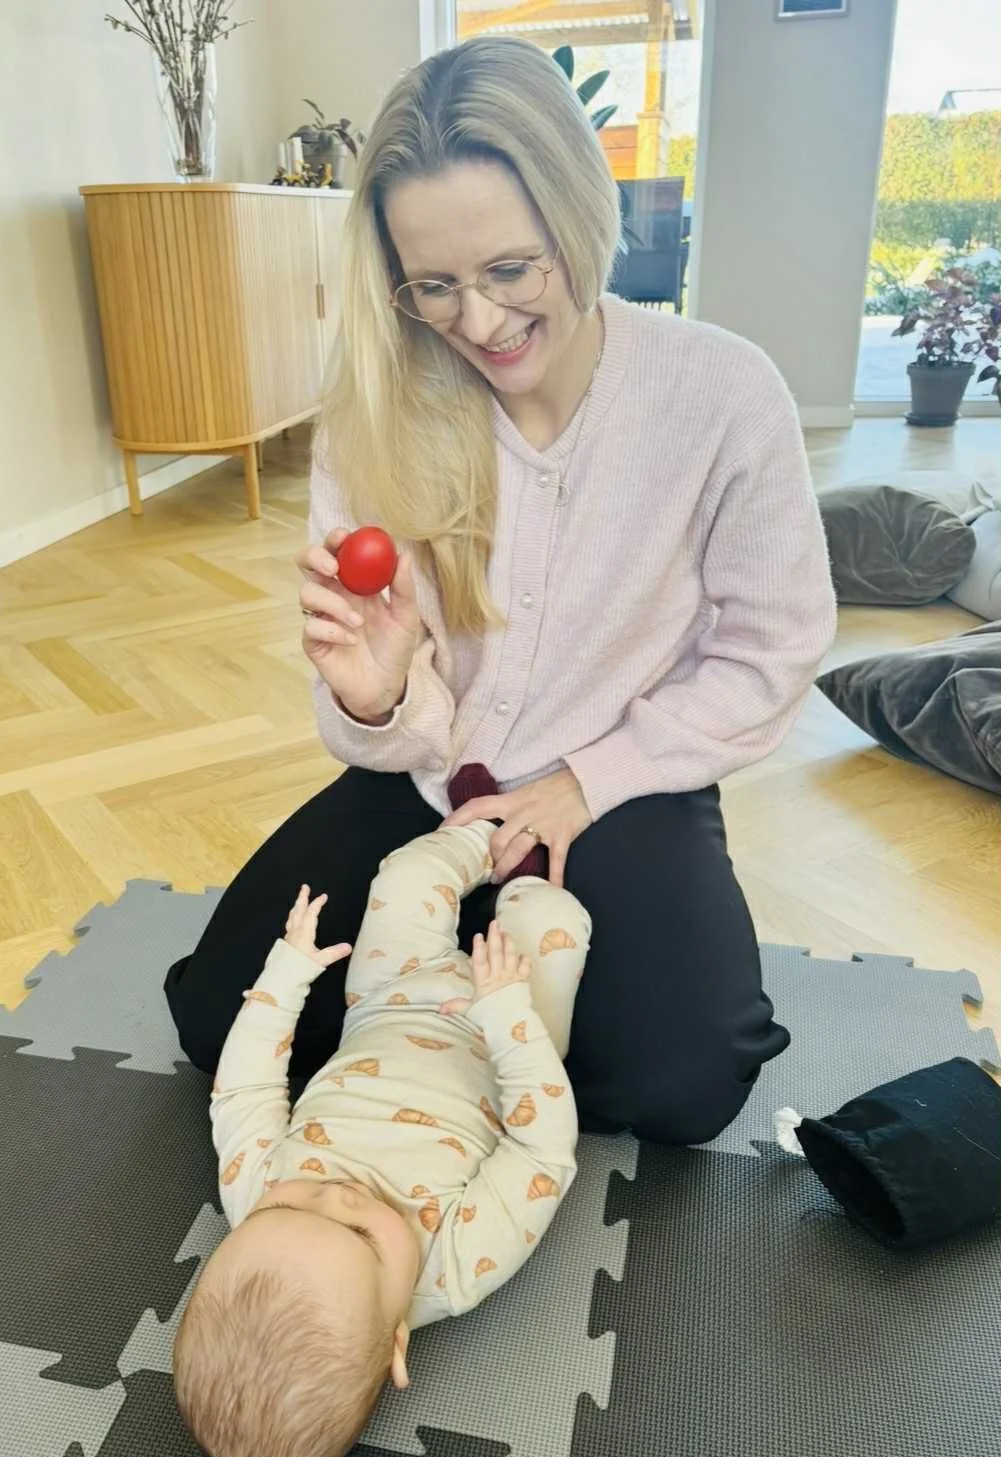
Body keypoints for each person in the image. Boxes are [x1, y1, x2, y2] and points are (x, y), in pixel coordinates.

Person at [164, 35, 837, 1145]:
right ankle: (483, 1013)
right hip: (429, 768)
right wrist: (381, 699)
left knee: (686, 1088)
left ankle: (459, 1008)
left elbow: (772, 646)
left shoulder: (722, 391)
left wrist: (587, 781)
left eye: (512, 270)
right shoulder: (376, 410)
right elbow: (385, 714)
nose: (478, 323)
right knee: (211, 1022)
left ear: (580, 214)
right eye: (433, 287)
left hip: (619, 780)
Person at [173, 819, 589, 1457]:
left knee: (407, 874)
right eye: (362, 1233)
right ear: (396, 1339)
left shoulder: (249, 1193)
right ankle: (529, 867)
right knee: (551, 916)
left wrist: (286, 976)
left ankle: (489, 831)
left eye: (288, 1206)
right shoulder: (456, 1266)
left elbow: (245, 1088)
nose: (339, 1195)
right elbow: (541, 1153)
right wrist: (509, 1017)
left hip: (385, 999)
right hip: (505, 1032)